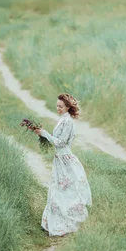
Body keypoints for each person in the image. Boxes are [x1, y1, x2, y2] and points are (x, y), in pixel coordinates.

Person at [34, 93, 92, 236]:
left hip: (65, 159)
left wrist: (45, 133)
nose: (58, 108)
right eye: (57, 106)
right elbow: (55, 140)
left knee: (66, 189)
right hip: (59, 159)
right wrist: (42, 135)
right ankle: (49, 222)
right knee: (56, 188)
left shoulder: (69, 122)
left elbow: (61, 142)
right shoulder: (63, 119)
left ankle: (67, 220)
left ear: (67, 107)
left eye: (61, 106)